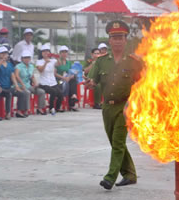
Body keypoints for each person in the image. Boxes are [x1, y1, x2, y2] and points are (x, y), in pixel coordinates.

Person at [88, 20, 142, 190]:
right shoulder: (101, 61)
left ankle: (110, 177)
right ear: (110, 40)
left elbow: (144, 84)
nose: (118, 41)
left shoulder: (134, 61)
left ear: (126, 40)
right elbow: (93, 80)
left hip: (126, 107)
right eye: (114, 37)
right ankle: (130, 174)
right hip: (107, 107)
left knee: (118, 142)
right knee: (114, 141)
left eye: (121, 37)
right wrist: (90, 84)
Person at [0, 46, 30, 119]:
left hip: (8, 87)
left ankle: (19, 111)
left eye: (5, 53)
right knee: (9, 94)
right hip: (0, 87)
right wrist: (2, 60)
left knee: (23, 93)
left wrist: (16, 86)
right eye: (2, 53)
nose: (4, 54)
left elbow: (12, 76)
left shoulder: (10, 65)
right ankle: (8, 113)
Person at [15, 50, 47, 115]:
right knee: (27, 92)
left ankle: (40, 108)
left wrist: (35, 83)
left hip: (28, 85)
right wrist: (22, 84)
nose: (27, 59)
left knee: (41, 92)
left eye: (28, 58)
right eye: (25, 58)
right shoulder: (18, 66)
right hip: (20, 85)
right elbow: (16, 76)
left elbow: (32, 76)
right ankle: (26, 110)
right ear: (22, 59)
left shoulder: (31, 66)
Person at [36, 44, 64, 114]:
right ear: (41, 53)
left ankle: (57, 107)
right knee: (53, 92)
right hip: (43, 83)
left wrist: (57, 57)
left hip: (53, 82)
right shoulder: (39, 61)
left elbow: (59, 64)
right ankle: (51, 108)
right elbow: (40, 70)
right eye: (44, 52)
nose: (46, 53)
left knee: (60, 93)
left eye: (47, 51)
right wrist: (45, 63)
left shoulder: (53, 60)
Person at [55, 45, 79, 111]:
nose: (64, 54)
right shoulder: (57, 62)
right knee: (62, 83)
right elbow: (55, 73)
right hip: (59, 80)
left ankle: (73, 97)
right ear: (60, 53)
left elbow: (71, 72)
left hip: (67, 79)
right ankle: (71, 103)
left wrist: (70, 76)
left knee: (73, 80)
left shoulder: (68, 63)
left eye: (65, 52)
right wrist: (63, 78)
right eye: (62, 52)